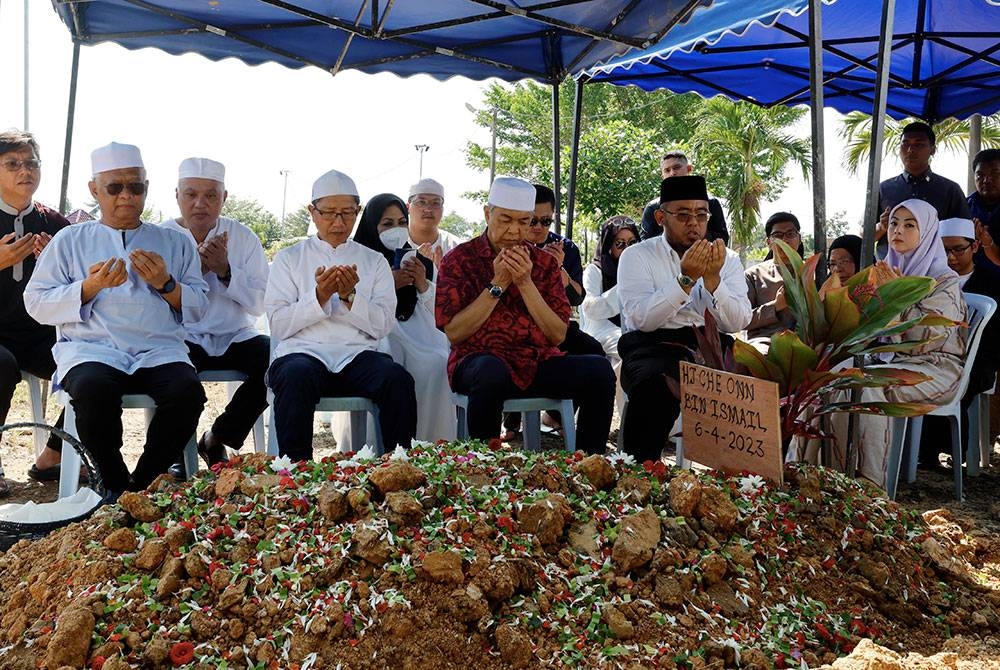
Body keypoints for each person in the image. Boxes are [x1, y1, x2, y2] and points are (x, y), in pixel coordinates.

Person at [23, 142, 209, 498]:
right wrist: (89, 287)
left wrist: (165, 284)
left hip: (158, 350)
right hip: (92, 349)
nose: (126, 195)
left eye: (135, 187)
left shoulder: (174, 241)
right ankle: (113, 481)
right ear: (95, 190)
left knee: (187, 394)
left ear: (146, 189)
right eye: (114, 187)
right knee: (93, 392)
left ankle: (143, 483)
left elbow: (199, 306)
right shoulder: (70, 241)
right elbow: (36, 303)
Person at [435, 176, 615, 454]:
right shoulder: (459, 260)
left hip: (535, 361)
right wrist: (498, 284)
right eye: (505, 220)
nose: (514, 231)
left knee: (598, 371)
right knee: (489, 371)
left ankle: (589, 468)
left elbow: (556, 335)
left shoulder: (543, 263)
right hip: (476, 361)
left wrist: (524, 282)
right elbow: (455, 333)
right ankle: (484, 471)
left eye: (524, 222)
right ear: (487, 213)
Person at [265, 170, 416, 460]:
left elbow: (384, 324)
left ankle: (398, 468)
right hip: (303, 352)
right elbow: (279, 324)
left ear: (358, 212)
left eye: (347, 213)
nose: (338, 222)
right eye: (330, 213)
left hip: (357, 355)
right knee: (294, 375)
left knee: (397, 379)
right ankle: (295, 475)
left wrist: (350, 297)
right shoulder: (289, 258)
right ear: (312, 212)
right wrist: (319, 297)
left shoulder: (373, 262)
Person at [829, 199, 966, 488]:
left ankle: (869, 486)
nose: (897, 231)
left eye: (909, 224)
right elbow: (859, 326)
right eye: (893, 223)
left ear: (926, 231)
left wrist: (894, 297)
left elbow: (929, 339)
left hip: (937, 367)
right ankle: (828, 473)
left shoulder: (944, 281)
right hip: (888, 362)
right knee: (832, 377)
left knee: (869, 387)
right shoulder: (881, 271)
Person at [618, 175, 751, 462]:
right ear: (660, 217)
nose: (694, 223)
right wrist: (685, 280)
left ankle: (747, 484)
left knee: (758, 385)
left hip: (710, 344)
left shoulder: (725, 259)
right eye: (683, 214)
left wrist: (714, 281)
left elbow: (739, 321)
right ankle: (639, 475)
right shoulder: (636, 256)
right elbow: (642, 320)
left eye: (701, 214)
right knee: (655, 387)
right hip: (652, 345)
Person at [161, 158, 270, 479]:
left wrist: (225, 271)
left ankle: (216, 438)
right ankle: (178, 452)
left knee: (277, 361)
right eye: (191, 194)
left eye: (211, 195)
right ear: (177, 195)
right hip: (181, 335)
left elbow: (261, 303)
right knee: (176, 380)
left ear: (225, 198)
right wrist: (196, 271)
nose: (200, 203)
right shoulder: (161, 236)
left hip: (235, 333)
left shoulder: (243, 237)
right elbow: (151, 303)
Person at [502, 183, 604, 437]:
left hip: (554, 325)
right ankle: (511, 421)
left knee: (593, 352)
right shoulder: (509, 246)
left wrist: (558, 271)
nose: (537, 228)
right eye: (532, 221)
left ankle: (559, 416)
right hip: (515, 327)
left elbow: (577, 298)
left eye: (545, 221)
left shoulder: (565, 249)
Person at [352, 192, 455, 442]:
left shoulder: (417, 257)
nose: (396, 230)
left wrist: (422, 284)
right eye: (387, 224)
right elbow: (350, 304)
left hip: (416, 330)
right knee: (390, 360)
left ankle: (429, 445)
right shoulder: (357, 259)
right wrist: (389, 284)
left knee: (437, 363)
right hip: (373, 332)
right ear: (371, 225)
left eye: (401, 222)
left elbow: (436, 309)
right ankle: (380, 449)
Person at [0, 130, 69, 497]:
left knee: (90, 366)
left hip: (41, 332)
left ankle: (52, 457)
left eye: (31, 163)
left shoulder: (56, 225)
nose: (24, 171)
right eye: (12, 164)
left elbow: (79, 283)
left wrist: (53, 265)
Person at [919, 217, 1000, 468]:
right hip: (936, 356)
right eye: (944, 251)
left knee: (953, 382)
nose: (951, 257)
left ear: (974, 247)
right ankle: (922, 455)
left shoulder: (993, 282)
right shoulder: (931, 280)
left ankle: (952, 451)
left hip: (980, 361)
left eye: (958, 249)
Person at [875, 122, 971, 258]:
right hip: (889, 273)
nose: (910, 150)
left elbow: (963, 237)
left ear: (933, 149)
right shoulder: (883, 188)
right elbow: (865, 234)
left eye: (918, 144)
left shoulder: (950, 190)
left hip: (933, 273)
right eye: (905, 144)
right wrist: (882, 227)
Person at [580, 215, 640, 416]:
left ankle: (634, 419)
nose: (627, 250)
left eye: (632, 243)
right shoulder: (594, 270)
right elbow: (590, 307)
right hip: (600, 330)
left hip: (633, 330)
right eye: (620, 244)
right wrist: (622, 287)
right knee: (630, 348)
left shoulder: (641, 269)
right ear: (609, 245)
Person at [639, 149, 729, 244]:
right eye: (667, 170)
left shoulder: (711, 203)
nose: (672, 173)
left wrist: (694, 238)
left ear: (689, 169)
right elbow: (644, 241)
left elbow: (722, 238)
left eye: (676, 167)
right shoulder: (653, 207)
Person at [744, 212, 803, 345]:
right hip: (766, 342)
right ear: (768, 242)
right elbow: (741, 320)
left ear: (799, 238)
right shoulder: (753, 275)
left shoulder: (812, 272)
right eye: (777, 236)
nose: (785, 240)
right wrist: (775, 306)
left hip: (805, 344)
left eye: (790, 234)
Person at [405, 178, 464, 263]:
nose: (428, 209)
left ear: (442, 209)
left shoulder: (456, 248)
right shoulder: (395, 244)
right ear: (408, 207)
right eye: (421, 202)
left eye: (435, 203)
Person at [967, 149, 1000, 267]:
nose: (986, 180)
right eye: (980, 175)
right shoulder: (964, 208)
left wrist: (987, 241)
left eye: (995, 174)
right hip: (970, 282)